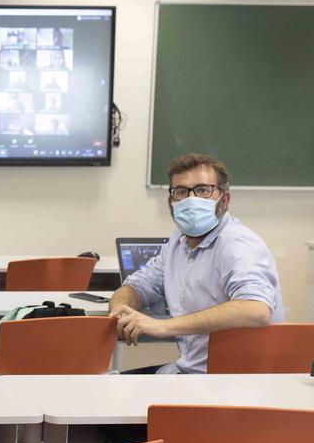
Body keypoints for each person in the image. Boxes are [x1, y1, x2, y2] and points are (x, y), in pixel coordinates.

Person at [109, 154, 283, 374]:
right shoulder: (178, 242)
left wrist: (162, 326)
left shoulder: (237, 244)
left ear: (225, 200)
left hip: (232, 385)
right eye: (181, 192)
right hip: (190, 372)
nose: (191, 200)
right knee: (103, 388)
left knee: (111, 398)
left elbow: (256, 309)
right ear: (171, 202)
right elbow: (141, 285)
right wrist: (120, 308)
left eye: (202, 190)